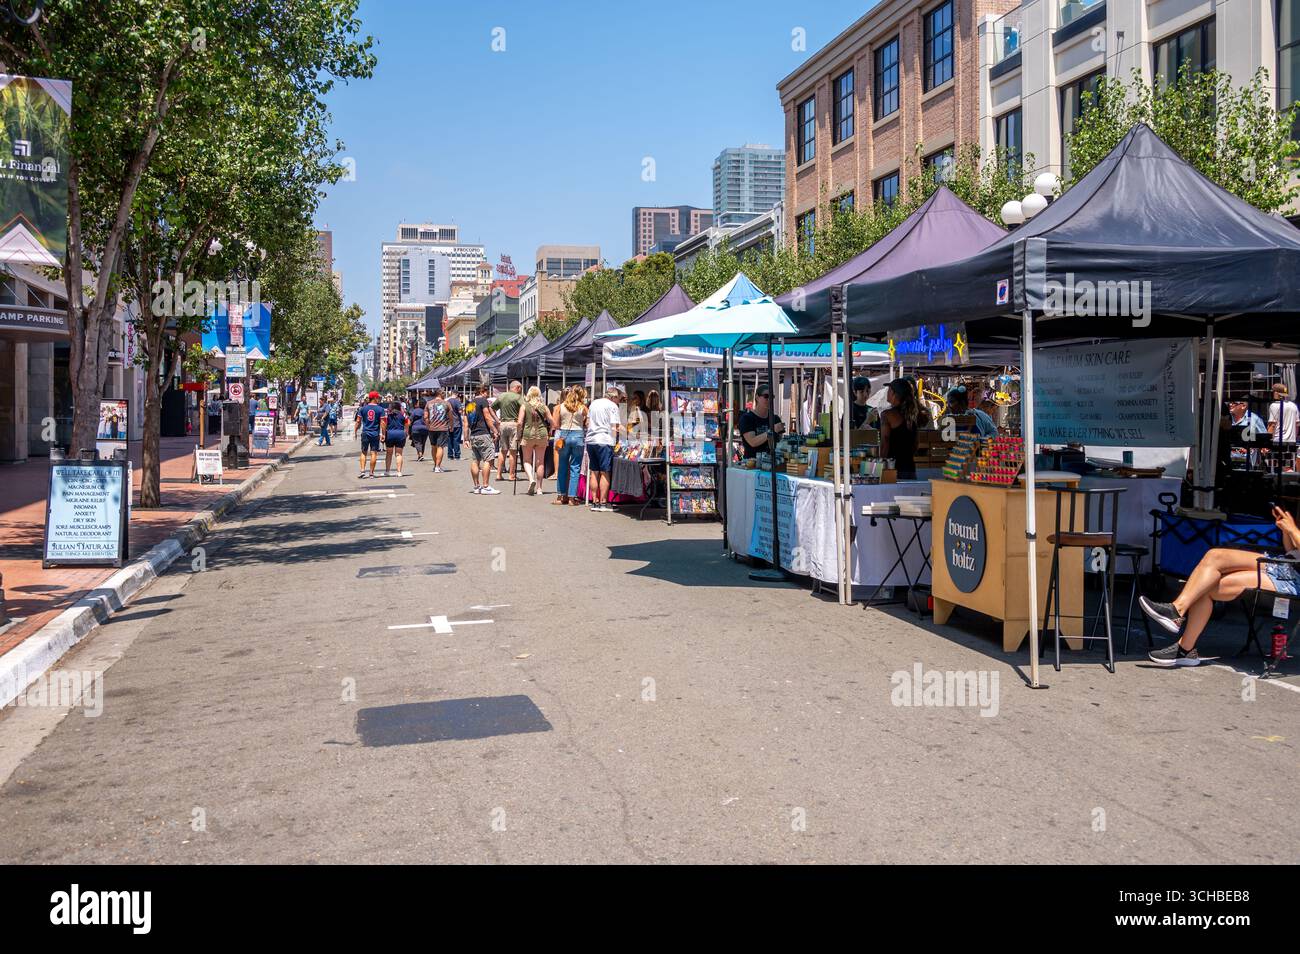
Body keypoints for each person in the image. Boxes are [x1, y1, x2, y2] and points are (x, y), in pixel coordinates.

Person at [1140, 505, 1300, 667]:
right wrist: (1286, 530)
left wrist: (1293, 530)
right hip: (1283, 565)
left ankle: (1184, 646)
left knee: (1206, 587)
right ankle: (1177, 611)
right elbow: (1292, 551)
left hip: (1292, 580)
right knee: (1214, 556)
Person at [880, 378, 928, 480]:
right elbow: (916, 443)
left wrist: (881, 465)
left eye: (888, 390)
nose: (887, 393)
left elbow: (885, 442)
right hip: (910, 467)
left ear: (893, 393)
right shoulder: (914, 413)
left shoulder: (887, 415)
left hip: (892, 469)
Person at [586, 384, 624, 511]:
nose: (619, 401)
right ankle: (603, 502)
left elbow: (587, 422)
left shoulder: (594, 403)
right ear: (613, 397)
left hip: (591, 440)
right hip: (605, 441)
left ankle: (594, 502)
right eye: (619, 398)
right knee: (605, 472)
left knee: (594, 471)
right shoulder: (612, 406)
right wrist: (626, 434)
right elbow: (615, 427)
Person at [462, 383, 501, 495]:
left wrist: (466, 439)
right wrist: (495, 430)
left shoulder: (469, 404)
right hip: (483, 434)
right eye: (486, 392)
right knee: (488, 460)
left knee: (475, 460)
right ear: (483, 392)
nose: (487, 395)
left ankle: (476, 486)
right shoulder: (483, 401)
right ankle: (486, 486)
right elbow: (488, 417)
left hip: (473, 435)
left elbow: (465, 423)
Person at [553, 385, 588, 506]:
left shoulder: (559, 407)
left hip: (564, 436)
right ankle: (572, 498)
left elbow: (556, 424)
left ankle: (560, 496)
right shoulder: (583, 407)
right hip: (578, 436)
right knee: (575, 467)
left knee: (562, 466)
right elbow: (587, 422)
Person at [517, 385, 553, 496]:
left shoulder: (524, 406)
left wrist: (518, 435)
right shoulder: (544, 407)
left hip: (528, 434)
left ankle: (531, 479)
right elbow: (552, 421)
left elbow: (519, 423)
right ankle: (539, 488)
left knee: (527, 460)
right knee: (540, 462)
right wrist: (550, 431)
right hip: (542, 434)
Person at [738, 383, 785, 461]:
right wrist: (772, 430)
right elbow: (752, 442)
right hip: (752, 464)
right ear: (757, 397)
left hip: (772, 462)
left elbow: (779, 442)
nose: (769, 399)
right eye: (766, 396)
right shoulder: (747, 418)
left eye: (771, 397)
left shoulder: (775, 419)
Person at [493, 380, 525, 481]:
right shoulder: (518, 397)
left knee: (503, 451)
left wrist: (497, 420)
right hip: (514, 424)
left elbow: (491, 408)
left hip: (503, 424)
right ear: (518, 387)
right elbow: (525, 408)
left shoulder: (502, 396)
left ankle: (499, 474)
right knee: (513, 451)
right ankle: (511, 475)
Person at [354, 390, 385, 478]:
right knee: (373, 453)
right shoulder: (380, 409)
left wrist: (355, 431)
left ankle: (363, 471)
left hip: (365, 432)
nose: (379, 399)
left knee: (363, 452)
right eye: (378, 398)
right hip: (375, 433)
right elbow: (383, 423)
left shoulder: (363, 409)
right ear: (374, 398)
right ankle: (371, 473)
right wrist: (383, 434)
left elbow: (358, 421)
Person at [426, 388, 452, 472]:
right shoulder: (446, 404)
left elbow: (425, 417)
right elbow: (451, 417)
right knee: (440, 447)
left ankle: (435, 465)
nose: (445, 395)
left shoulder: (429, 403)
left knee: (433, 446)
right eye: (444, 393)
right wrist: (451, 426)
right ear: (440, 394)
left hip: (431, 428)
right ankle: (437, 466)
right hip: (443, 428)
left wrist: (428, 425)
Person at [380, 399, 409, 477]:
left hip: (390, 434)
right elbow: (407, 423)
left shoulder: (387, 415)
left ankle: (387, 471)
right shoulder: (403, 415)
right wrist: (406, 432)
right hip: (400, 434)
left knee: (389, 453)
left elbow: (383, 424)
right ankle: (399, 472)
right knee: (399, 454)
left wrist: (383, 434)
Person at [409, 395, 429, 461]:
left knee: (417, 442)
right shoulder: (426, 411)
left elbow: (410, 419)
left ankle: (420, 454)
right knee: (423, 442)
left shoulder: (415, 411)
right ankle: (420, 455)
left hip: (416, 428)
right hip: (425, 428)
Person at [446, 390, 464, 461]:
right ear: (456, 394)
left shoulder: (447, 402)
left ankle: (450, 455)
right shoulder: (457, 401)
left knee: (449, 439)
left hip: (448, 423)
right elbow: (460, 411)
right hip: (457, 423)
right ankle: (457, 455)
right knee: (456, 439)